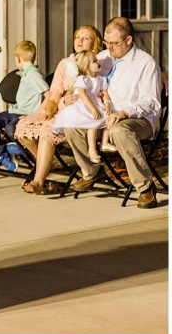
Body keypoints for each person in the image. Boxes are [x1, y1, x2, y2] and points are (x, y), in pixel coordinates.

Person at [68, 17, 162, 209]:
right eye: (106, 42)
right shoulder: (103, 57)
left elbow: (152, 103)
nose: (109, 47)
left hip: (137, 119)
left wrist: (124, 113)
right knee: (72, 126)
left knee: (119, 130)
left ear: (128, 40)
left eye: (114, 43)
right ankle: (93, 171)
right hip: (103, 116)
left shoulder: (145, 63)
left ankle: (145, 187)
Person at [16, 26, 104, 194]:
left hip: (84, 115)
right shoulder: (65, 64)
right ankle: (49, 163)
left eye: (86, 38)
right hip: (62, 109)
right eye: (77, 37)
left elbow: (102, 90)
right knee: (24, 129)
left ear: (95, 44)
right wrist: (45, 112)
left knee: (46, 131)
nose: (80, 41)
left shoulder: (98, 63)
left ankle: (38, 181)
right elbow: (54, 95)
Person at [0, 40, 49, 172]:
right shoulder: (25, 73)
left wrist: (36, 114)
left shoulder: (34, 75)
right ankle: (2, 153)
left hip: (26, 114)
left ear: (18, 59)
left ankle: (20, 149)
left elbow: (49, 95)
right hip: (15, 111)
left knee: (11, 129)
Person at [51, 50, 113, 162]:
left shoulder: (101, 79)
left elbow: (105, 93)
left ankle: (104, 143)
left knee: (109, 117)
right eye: (94, 61)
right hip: (83, 104)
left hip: (95, 103)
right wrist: (93, 108)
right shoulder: (83, 79)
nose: (98, 61)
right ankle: (92, 150)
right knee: (93, 123)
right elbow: (82, 94)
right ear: (86, 68)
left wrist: (107, 103)